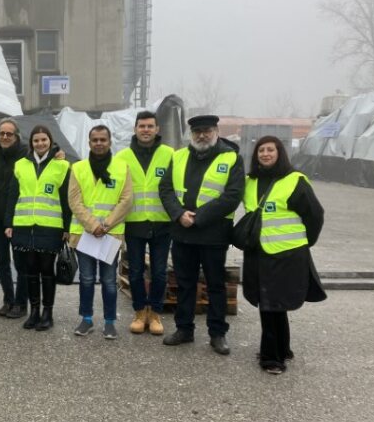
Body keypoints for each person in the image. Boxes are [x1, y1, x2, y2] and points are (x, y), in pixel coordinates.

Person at [158, 114, 244, 355]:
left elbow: (233, 195)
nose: (202, 135)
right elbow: (165, 189)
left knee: (215, 285)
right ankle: (184, 329)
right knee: (185, 284)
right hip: (183, 232)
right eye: (197, 132)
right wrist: (178, 214)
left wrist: (198, 217)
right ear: (191, 134)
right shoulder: (178, 156)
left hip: (213, 234)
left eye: (207, 131)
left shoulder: (231, 157)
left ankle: (217, 333)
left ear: (216, 131)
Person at [242, 135, 326, 374]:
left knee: (271, 304)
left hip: (286, 254)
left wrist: (304, 242)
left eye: (270, 150)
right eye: (261, 150)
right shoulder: (250, 181)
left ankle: (271, 358)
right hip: (258, 252)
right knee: (272, 303)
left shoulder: (294, 180)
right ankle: (283, 348)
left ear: (280, 153)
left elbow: (315, 215)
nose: (265, 154)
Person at [68, 125, 133, 339]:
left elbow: (126, 200)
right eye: (94, 140)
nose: (98, 143)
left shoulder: (122, 168)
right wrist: (92, 225)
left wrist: (106, 225)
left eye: (102, 139)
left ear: (109, 141)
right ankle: (86, 319)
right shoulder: (78, 168)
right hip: (85, 234)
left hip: (109, 235)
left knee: (108, 280)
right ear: (89, 143)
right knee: (86, 279)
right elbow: (74, 200)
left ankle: (109, 322)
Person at [4, 125, 71, 331]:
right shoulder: (20, 165)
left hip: (50, 227)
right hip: (24, 226)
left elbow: (66, 199)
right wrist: (9, 223)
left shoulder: (62, 166)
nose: (40, 143)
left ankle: (47, 313)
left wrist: (67, 227)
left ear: (50, 141)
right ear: (31, 143)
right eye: (36, 140)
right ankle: (34, 311)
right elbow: (12, 196)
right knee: (30, 270)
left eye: (44, 140)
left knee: (47, 270)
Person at [115, 110, 174, 336]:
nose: (146, 130)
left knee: (159, 272)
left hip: (162, 223)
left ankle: (155, 313)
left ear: (157, 129)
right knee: (136, 272)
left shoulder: (170, 154)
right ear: (135, 129)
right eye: (142, 126)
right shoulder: (123, 157)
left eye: (150, 126)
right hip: (134, 223)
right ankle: (140, 313)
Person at [0, 119, 29, 319]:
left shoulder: (26, 153)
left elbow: (46, 150)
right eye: (1, 133)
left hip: (19, 218)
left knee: (21, 264)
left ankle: (21, 303)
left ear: (16, 136)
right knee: (2, 262)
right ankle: (8, 300)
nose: (4, 137)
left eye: (9, 134)